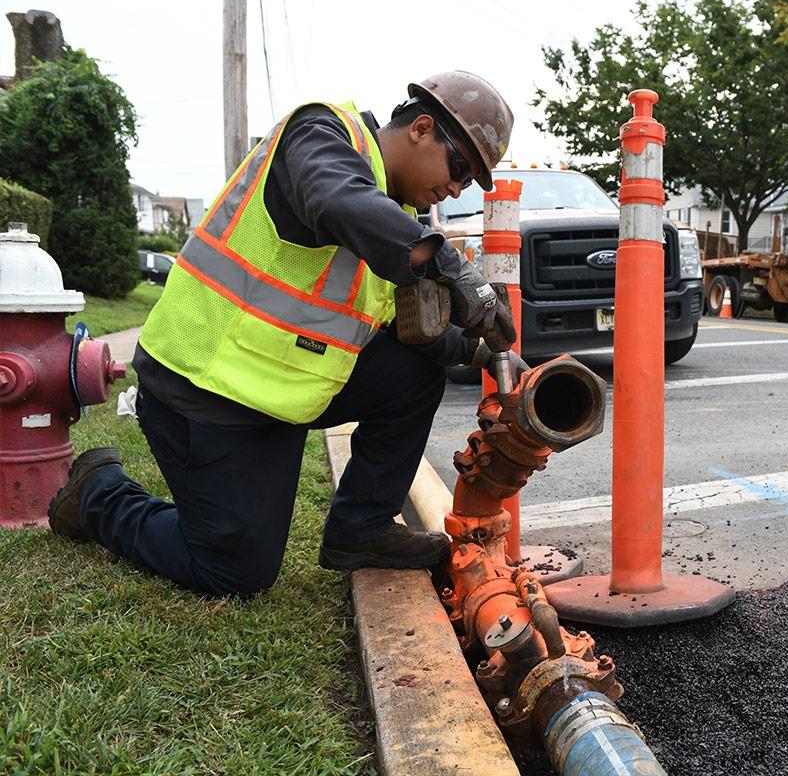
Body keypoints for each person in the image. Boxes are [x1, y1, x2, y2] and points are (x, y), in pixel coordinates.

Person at [48, 71, 526, 599]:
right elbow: (337, 200)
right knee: (235, 571)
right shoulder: (320, 135)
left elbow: (406, 328)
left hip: (275, 392)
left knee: (414, 370)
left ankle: (360, 530)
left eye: (469, 181)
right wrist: (448, 266)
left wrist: (482, 352)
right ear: (420, 127)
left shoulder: (395, 219)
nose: (456, 187)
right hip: (201, 386)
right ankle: (97, 491)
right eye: (459, 166)